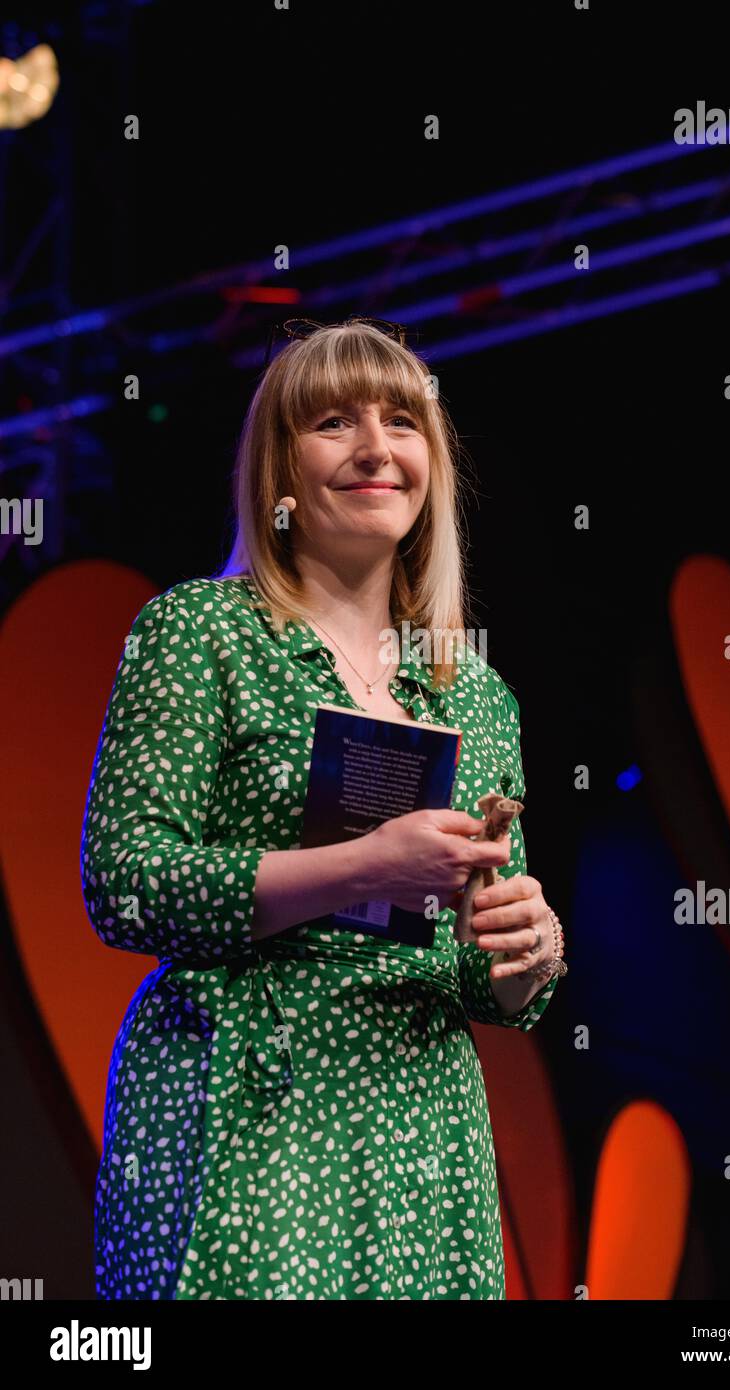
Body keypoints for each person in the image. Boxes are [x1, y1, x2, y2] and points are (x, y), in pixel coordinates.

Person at [80, 316, 566, 1300]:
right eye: (334, 422)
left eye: (401, 421)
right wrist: (364, 867)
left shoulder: (474, 692)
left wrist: (528, 949)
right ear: (279, 475)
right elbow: (123, 886)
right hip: (248, 1101)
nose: (376, 446)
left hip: (422, 1124)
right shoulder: (201, 631)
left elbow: (488, 983)